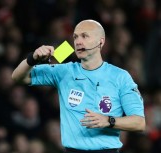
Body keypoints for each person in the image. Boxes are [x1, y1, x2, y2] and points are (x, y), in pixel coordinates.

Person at [11, 19, 145, 153]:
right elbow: (18, 77)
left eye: (85, 36)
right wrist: (32, 58)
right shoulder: (64, 71)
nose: (78, 41)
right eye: (75, 37)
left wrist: (109, 121)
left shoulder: (120, 76)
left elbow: (139, 123)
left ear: (101, 41)